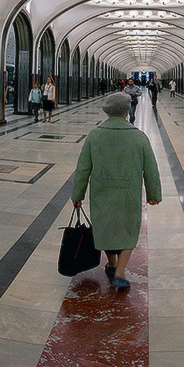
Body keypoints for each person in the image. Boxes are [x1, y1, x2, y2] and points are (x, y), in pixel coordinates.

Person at [72, 92, 161, 289]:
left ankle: (112, 264)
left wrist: (77, 195)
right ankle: (120, 272)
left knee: (106, 227)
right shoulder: (139, 137)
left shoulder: (95, 135)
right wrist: (154, 193)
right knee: (128, 229)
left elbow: (83, 168)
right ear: (127, 110)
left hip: (101, 193)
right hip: (128, 193)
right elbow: (151, 167)